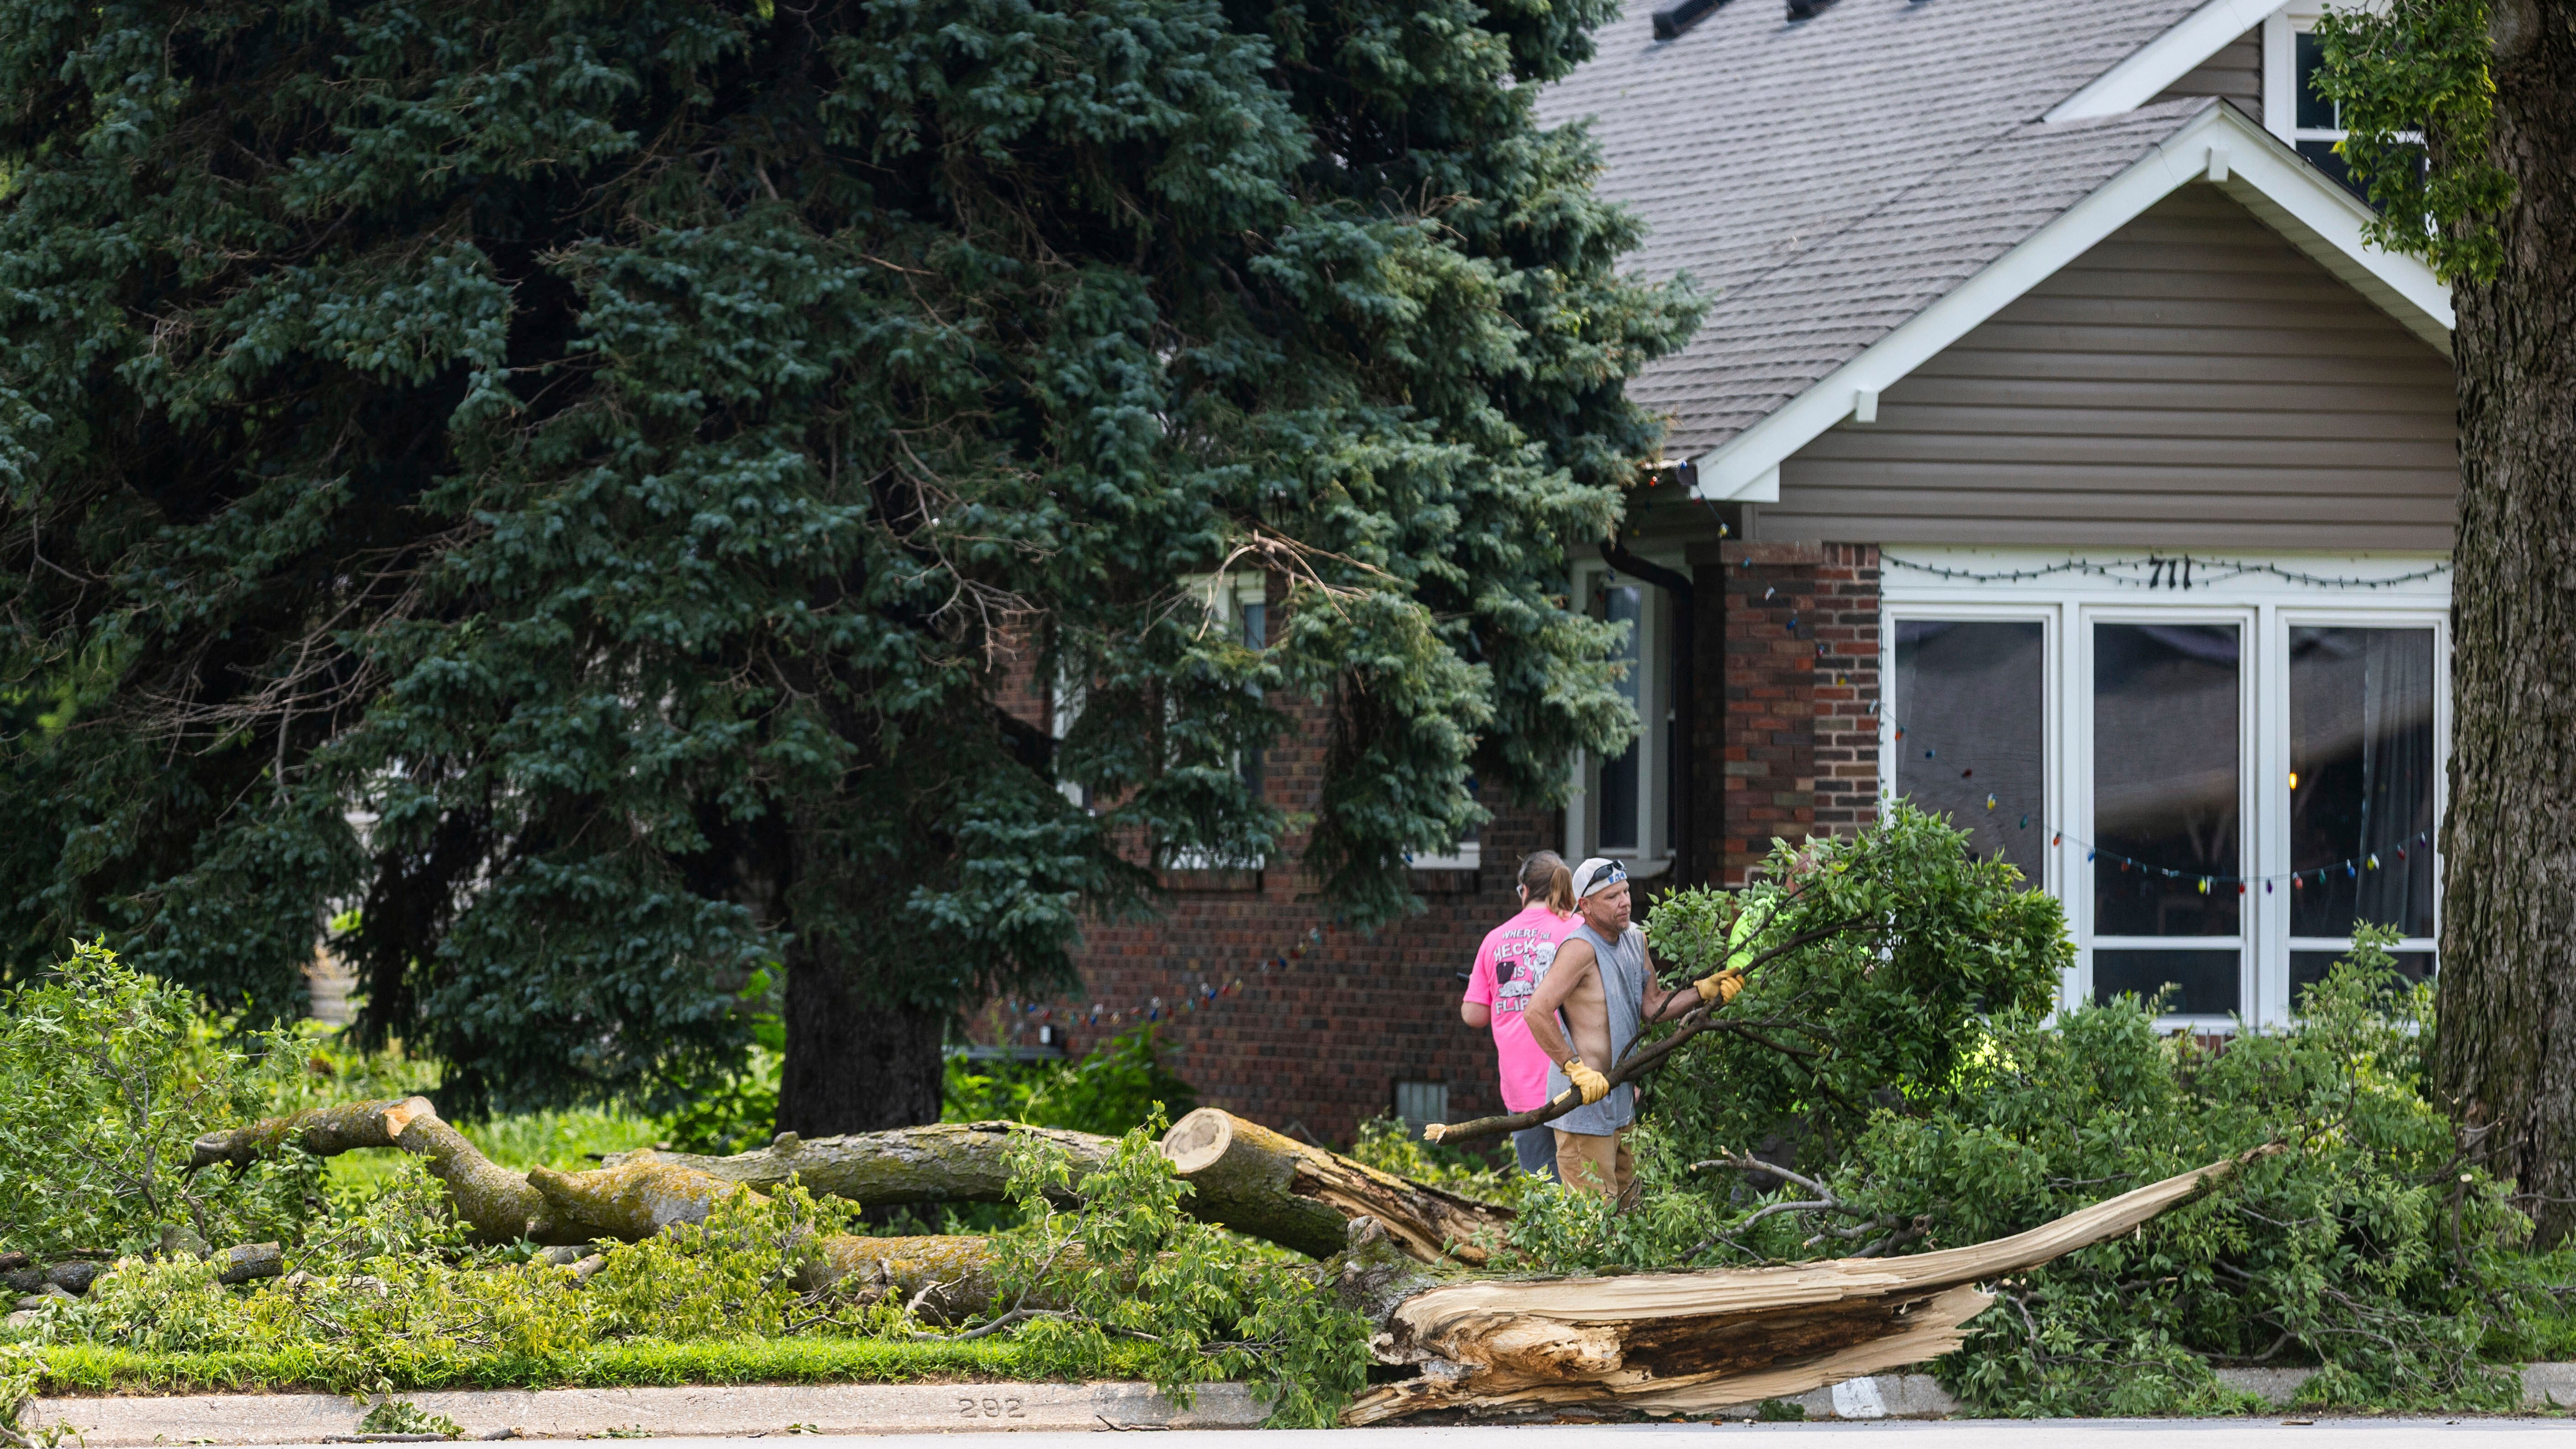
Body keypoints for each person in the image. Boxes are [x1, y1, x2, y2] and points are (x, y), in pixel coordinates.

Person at [1523, 857, 1744, 1206]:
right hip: (1584, 1106)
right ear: (1586, 905)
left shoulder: (1634, 940)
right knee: (1595, 1223)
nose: (1625, 901)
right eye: (1612, 897)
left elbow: (1652, 1006)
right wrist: (1574, 1068)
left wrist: (1702, 992)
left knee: (1629, 1214)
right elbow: (1535, 1012)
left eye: (1625, 891)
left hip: (1622, 1104)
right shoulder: (1579, 949)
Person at [1459, 851, 1581, 1180]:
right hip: (1578, 1080)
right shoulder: (1579, 930)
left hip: (1522, 1088)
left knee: (1543, 1192)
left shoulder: (1494, 939)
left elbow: (1473, 1015)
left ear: (1524, 890)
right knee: (1587, 1189)